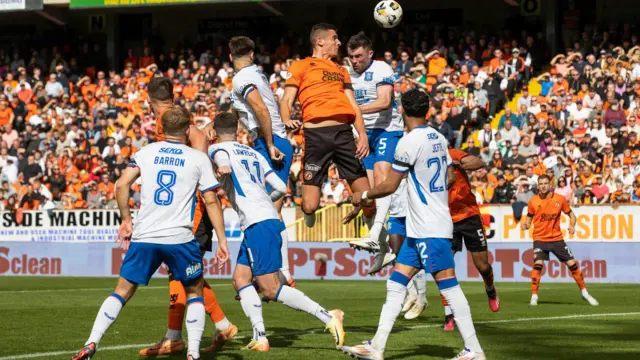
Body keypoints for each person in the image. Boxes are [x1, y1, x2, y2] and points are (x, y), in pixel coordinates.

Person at [72, 107, 229, 360]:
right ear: (188, 129)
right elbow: (211, 200)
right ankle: (193, 353)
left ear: (163, 129)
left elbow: (122, 184)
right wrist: (222, 240)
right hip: (180, 238)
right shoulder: (197, 158)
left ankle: (91, 342)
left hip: (145, 236)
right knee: (194, 291)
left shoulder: (145, 152)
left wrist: (126, 220)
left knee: (122, 291)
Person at [342, 89, 485, 360]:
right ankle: (377, 347)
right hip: (422, 226)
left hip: (429, 228)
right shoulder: (440, 138)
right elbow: (451, 175)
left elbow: (389, 185)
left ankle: (474, 349)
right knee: (396, 284)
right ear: (427, 111)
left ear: (401, 111)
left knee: (449, 287)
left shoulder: (407, 143)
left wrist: (363, 195)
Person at [209, 112, 345, 352]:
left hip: (257, 222)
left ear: (215, 132)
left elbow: (222, 158)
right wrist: (262, 200)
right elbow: (281, 187)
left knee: (270, 288)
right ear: (238, 129)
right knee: (240, 279)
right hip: (265, 218)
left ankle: (328, 315)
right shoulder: (253, 152)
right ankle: (260, 337)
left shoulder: (217, 149)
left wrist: (222, 166)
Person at [138, 78, 236, 357]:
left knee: (182, 270)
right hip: (184, 206)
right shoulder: (169, 120)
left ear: (149, 100)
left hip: (192, 208)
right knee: (181, 271)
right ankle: (215, 326)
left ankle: (182, 336)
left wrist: (199, 169)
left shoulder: (173, 121)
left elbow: (200, 138)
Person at [280, 23, 372, 230]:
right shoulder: (300, 66)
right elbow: (286, 100)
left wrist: (363, 134)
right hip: (315, 136)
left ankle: (373, 235)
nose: (339, 43)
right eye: (335, 38)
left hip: (344, 135)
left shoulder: (341, 70)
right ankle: (307, 212)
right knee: (311, 205)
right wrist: (286, 119)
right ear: (320, 41)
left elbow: (353, 104)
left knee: (368, 198)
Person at [228, 36, 296, 287]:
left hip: (271, 141)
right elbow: (241, 109)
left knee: (270, 211)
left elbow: (261, 110)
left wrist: (268, 144)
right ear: (253, 54)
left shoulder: (242, 78)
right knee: (267, 209)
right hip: (270, 139)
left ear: (229, 55)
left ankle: (281, 271)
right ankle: (272, 271)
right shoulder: (256, 74)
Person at [344, 32, 404, 272]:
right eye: (351, 57)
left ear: (370, 53)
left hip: (387, 130)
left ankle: (375, 232)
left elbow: (384, 102)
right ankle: (382, 249)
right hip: (363, 134)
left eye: (359, 56)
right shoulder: (345, 73)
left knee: (381, 179)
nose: (355, 61)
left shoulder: (381, 69)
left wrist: (355, 110)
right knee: (367, 196)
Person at [437, 149, 500, 333]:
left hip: (469, 216)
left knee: (482, 266)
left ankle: (490, 288)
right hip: (445, 219)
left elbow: (479, 163)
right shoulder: (422, 162)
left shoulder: (450, 153)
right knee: (443, 266)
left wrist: (456, 164)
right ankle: (449, 314)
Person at [521, 175, 599, 307]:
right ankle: (534, 296)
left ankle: (585, 293)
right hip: (540, 238)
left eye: (546, 183)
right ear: (538, 185)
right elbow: (528, 218)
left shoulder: (559, 199)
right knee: (538, 264)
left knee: (572, 264)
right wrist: (525, 225)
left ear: (550, 184)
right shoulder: (533, 201)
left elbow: (571, 215)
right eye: (541, 184)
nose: (543, 186)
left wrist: (572, 225)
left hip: (557, 239)